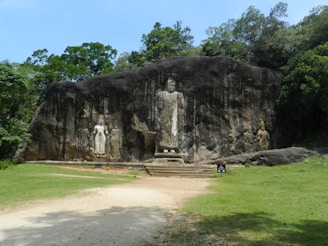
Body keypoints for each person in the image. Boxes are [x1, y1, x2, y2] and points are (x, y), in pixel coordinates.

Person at [156, 76, 184, 152]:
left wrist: (181, 98)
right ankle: (165, 146)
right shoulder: (163, 94)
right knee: (165, 130)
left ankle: (173, 147)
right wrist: (159, 97)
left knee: (174, 130)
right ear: (166, 85)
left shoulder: (177, 94)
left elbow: (181, 106)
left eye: (172, 84)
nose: (171, 86)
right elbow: (159, 106)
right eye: (169, 84)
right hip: (165, 114)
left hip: (174, 115)